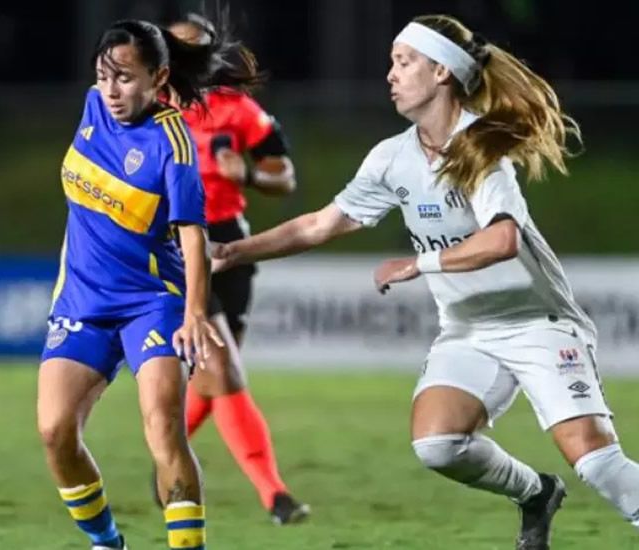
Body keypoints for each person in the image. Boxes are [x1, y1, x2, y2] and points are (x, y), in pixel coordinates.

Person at [211, 13, 639, 549]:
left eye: (403, 62)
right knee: (437, 445)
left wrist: (422, 264)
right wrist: (233, 250)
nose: (390, 74)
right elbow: (321, 223)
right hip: (466, 329)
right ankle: (536, 493)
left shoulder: (481, 149)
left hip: (539, 323)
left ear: (441, 72)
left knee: (597, 462)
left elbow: (502, 241)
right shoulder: (393, 157)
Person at [37, 18, 258, 550]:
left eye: (126, 78)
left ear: (158, 78)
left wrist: (195, 313)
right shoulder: (94, 104)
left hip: (152, 304)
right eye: (104, 75)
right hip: (82, 301)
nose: (113, 90)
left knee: (162, 427)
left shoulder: (173, 144)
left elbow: (192, 236)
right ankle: (107, 542)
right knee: (54, 432)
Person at [160, 13, 309, 525]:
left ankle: (166, 456)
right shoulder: (148, 108)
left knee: (212, 379)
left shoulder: (238, 110)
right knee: (222, 369)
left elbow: (283, 175)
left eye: (196, 50)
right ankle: (275, 494)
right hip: (176, 246)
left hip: (230, 244)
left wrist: (246, 172)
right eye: (177, 50)